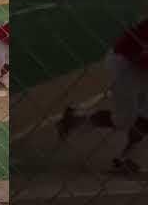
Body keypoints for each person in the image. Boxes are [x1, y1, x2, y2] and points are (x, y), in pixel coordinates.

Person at [57, 18, 148, 173]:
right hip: (126, 64)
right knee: (124, 119)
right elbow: (139, 55)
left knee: (146, 114)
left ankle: (127, 159)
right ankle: (75, 119)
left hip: (139, 65)